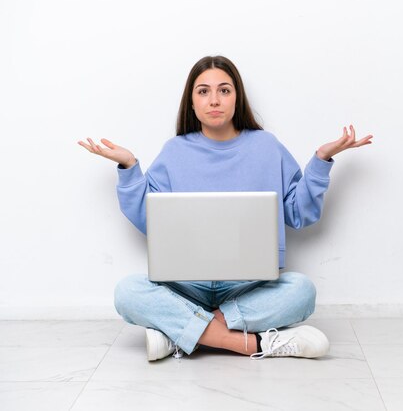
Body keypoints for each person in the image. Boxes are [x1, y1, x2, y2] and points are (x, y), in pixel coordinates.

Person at [78, 56, 373, 361]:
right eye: (203, 91)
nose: (214, 100)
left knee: (302, 290)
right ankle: (250, 344)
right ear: (191, 103)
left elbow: (300, 214)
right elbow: (149, 219)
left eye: (224, 90)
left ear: (237, 98)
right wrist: (128, 166)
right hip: (186, 287)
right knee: (127, 292)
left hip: (248, 287)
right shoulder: (175, 151)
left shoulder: (267, 147)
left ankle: (182, 336)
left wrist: (320, 162)